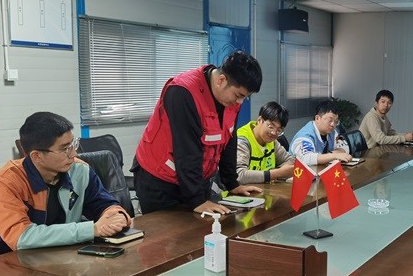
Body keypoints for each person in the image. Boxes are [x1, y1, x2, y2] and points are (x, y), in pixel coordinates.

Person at [133, 51, 263, 215]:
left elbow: (229, 139)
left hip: (194, 179)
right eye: (239, 95)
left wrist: (232, 183)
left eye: (246, 97)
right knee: (172, 231)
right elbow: (186, 149)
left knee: (207, 225)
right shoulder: (182, 92)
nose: (240, 102)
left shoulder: (230, 100)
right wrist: (196, 200)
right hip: (160, 180)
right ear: (221, 80)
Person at [0, 112, 131, 258]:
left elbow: (105, 205)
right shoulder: (6, 183)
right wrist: (91, 230)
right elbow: (21, 237)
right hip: (10, 262)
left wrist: (116, 216)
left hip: (63, 257)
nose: (74, 154)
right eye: (64, 149)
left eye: (73, 145)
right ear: (37, 156)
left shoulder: (80, 171)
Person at [236, 101, 295, 184]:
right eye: (270, 126)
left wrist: (276, 172)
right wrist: (277, 173)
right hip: (240, 191)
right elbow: (239, 175)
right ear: (259, 120)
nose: (274, 133)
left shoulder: (272, 142)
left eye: (279, 130)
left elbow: (290, 160)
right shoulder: (242, 141)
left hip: (263, 188)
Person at [290, 100, 352, 166]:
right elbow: (306, 158)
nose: (333, 125)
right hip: (300, 171)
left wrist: (332, 155)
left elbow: (345, 147)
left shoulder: (333, 132)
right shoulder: (305, 136)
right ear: (317, 118)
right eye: (330, 120)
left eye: (336, 121)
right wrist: (335, 155)